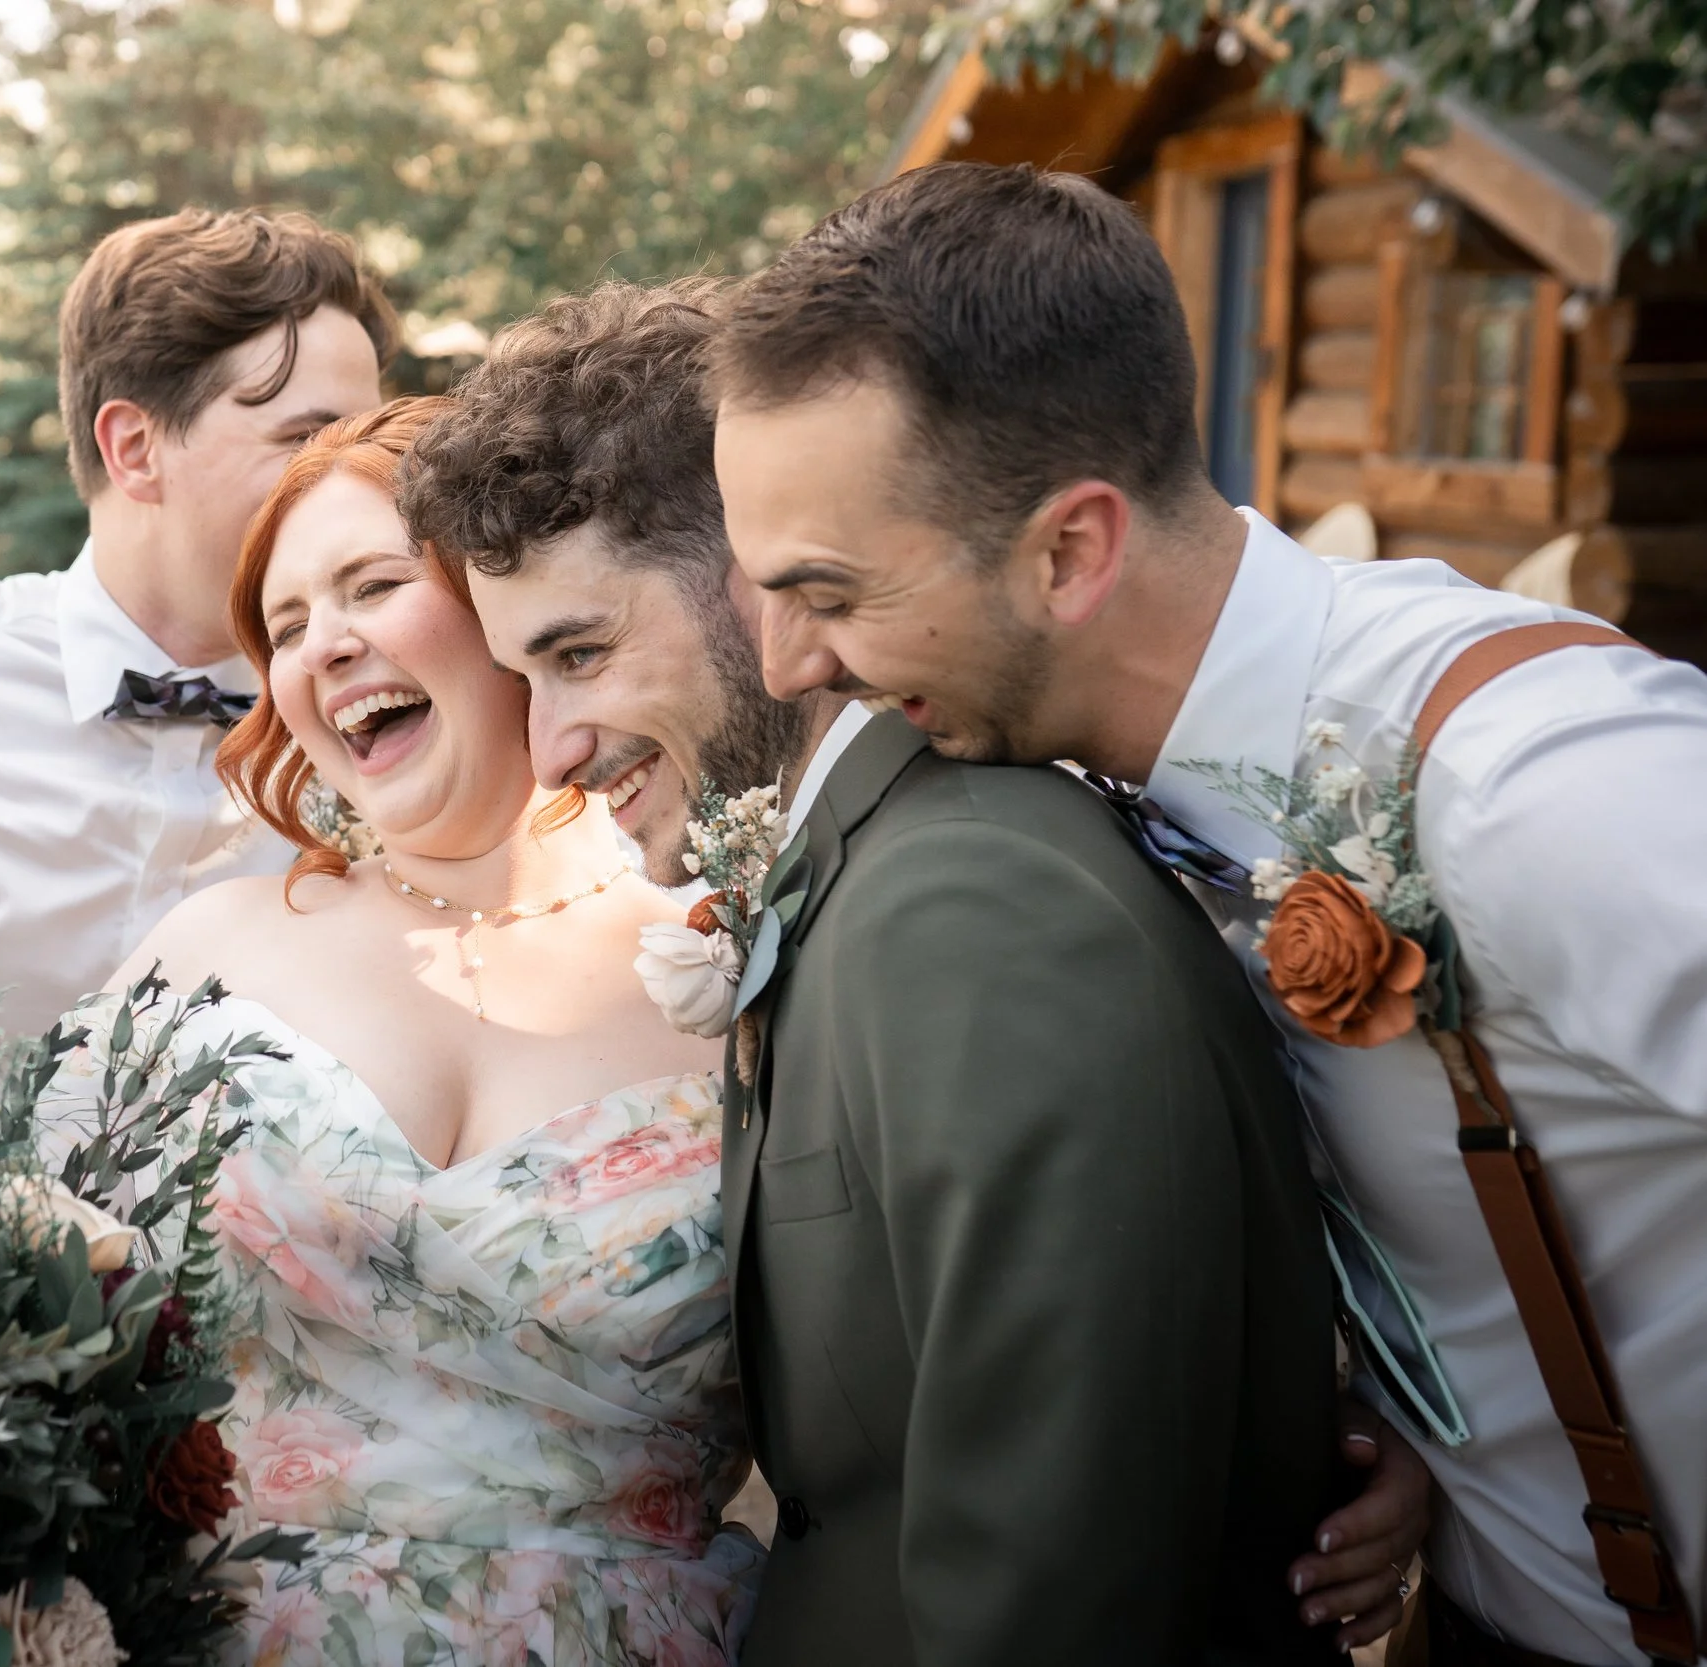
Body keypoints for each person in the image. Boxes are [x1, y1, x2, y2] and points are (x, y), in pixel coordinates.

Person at [712, 160, 1707, 1667]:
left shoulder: (1543, 784)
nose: (789, 667)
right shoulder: (1094, 794)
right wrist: (1429, 1423)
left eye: (832, 592)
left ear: (1070, 550)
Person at [403, 274, 1435, 1657]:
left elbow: (1060, 1549)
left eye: (580, 653)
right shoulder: (870, 871)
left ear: (749, 579)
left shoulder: (968, 898)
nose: (552, 749)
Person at [49, 398, 762, 1666]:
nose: (323, 644)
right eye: (282, 625)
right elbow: (22, 1304)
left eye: (371, 584)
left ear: (502, 603)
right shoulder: (205, 954)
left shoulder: (731, 959)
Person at [0, 209, 395, 1037]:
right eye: (306, 440)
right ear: (134, 448)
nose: (353, 485)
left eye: (365, 441)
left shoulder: (379, 719)